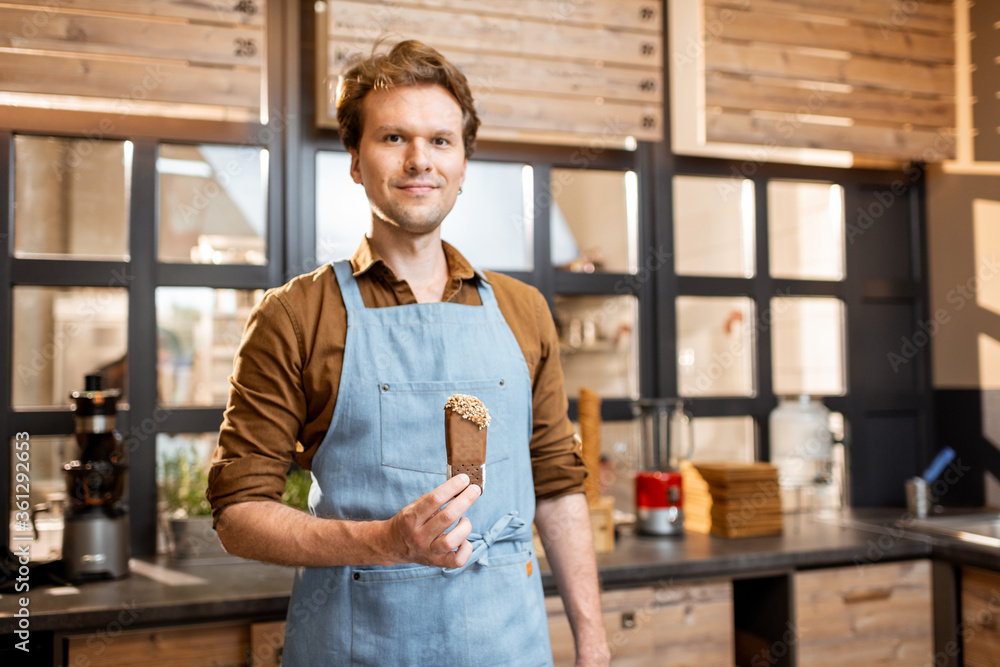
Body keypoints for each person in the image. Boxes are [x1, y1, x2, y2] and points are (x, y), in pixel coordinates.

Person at [207, 39, 609, 666]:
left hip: (510, 646)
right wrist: (387, 541)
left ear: (464, 163)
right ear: (355, 158)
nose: (420, 160)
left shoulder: (524, 311)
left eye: (441, 141)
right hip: (357, 646)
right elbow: (239, 514)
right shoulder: (296, 315)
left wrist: (593, 642)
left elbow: (557, 486)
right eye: (393, 138)